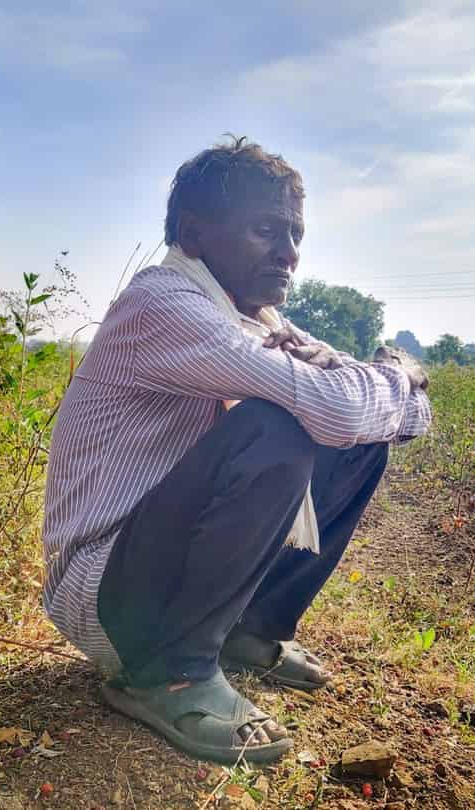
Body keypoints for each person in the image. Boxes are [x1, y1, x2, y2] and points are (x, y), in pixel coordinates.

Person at [41, 136, 431, 764]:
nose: (289, 254)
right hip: (106, 590)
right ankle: (171, 673)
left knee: (357, 447)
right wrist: (399, 375)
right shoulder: (163, 303)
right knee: (275, 426)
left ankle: (250, 632)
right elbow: (340, 401)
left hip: (155, 565)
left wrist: (371, 387)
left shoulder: (259, 318)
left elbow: (372, 416)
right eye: (265, 230)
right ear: (194, 235)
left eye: (295, 234)